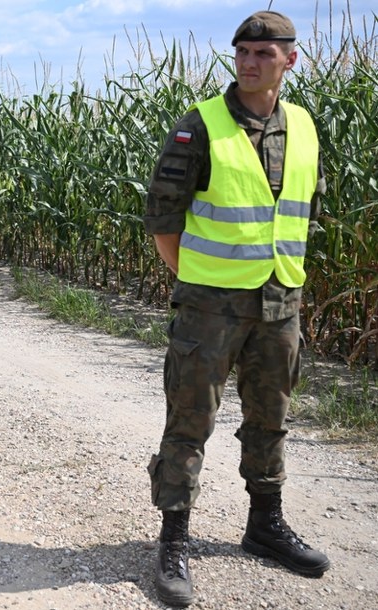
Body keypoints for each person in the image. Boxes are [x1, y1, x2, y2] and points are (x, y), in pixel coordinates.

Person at [143, 11, 330, 606]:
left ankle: (264, 526)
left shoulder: (303, 126)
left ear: (290, 61)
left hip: (281, 302)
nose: (250, 62)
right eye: (243, 51)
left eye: (264, 53)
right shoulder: (201, 125)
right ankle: (174, 539)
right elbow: (162, 219)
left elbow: (302, 212)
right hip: (210, 307)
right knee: (190, 422)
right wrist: (197, 281)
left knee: (270, 419)